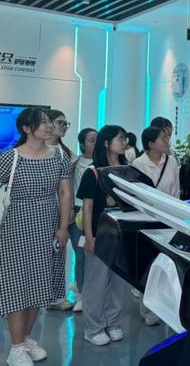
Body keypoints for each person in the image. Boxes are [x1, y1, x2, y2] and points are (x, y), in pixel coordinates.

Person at [0, 107, 73, 366]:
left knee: (40, 284)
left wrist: (63, 227)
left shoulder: (59, 156)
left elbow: (65, 193)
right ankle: (16, 349)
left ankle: (26, 339)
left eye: (48, 121)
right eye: (42, 122)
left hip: (48, 225)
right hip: (14, 228)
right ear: (26, 128)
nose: (49, 126)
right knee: (16, 286)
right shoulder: (9, 158)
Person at [76, 125, 128, 346]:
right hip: (99, 234)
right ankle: (93, 328)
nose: (124, 143)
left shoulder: (127, 170)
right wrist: (89, 237)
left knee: (118, 283)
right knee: (95, 283)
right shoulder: (93, 172)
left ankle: (113, 322)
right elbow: (87, 207)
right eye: (120, 138)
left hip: (122, 234)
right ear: (107, 143)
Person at [132, 126, 180, 325]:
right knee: (147, 264)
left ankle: (166, 306)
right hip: (146, 219)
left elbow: (176, 191)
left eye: (167, 138)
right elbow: (138, 193)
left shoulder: (172, 162)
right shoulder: (138, 164)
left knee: (167, 264)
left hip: (168, 219)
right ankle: (148, 309)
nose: (166, 141)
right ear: (151, 144)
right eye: (162, 138)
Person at [44, 109, 76, 312]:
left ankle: (55, 296)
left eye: (66, 124)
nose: (64, 127)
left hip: (59, 210)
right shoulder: (30, 150)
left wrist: (69, 208)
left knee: (57, 252)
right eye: (60, 123)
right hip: (34, 210)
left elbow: (68, 186)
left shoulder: (66, 154)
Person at [69, 128, 98, 313]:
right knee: (80, 255)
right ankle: (81, 294)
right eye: (92, 140)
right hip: (78, 212)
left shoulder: (100, 164)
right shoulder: (75, 164)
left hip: (95, 212)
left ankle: (92, 293)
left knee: (94, 257)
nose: (96, 144)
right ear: (82, 144)